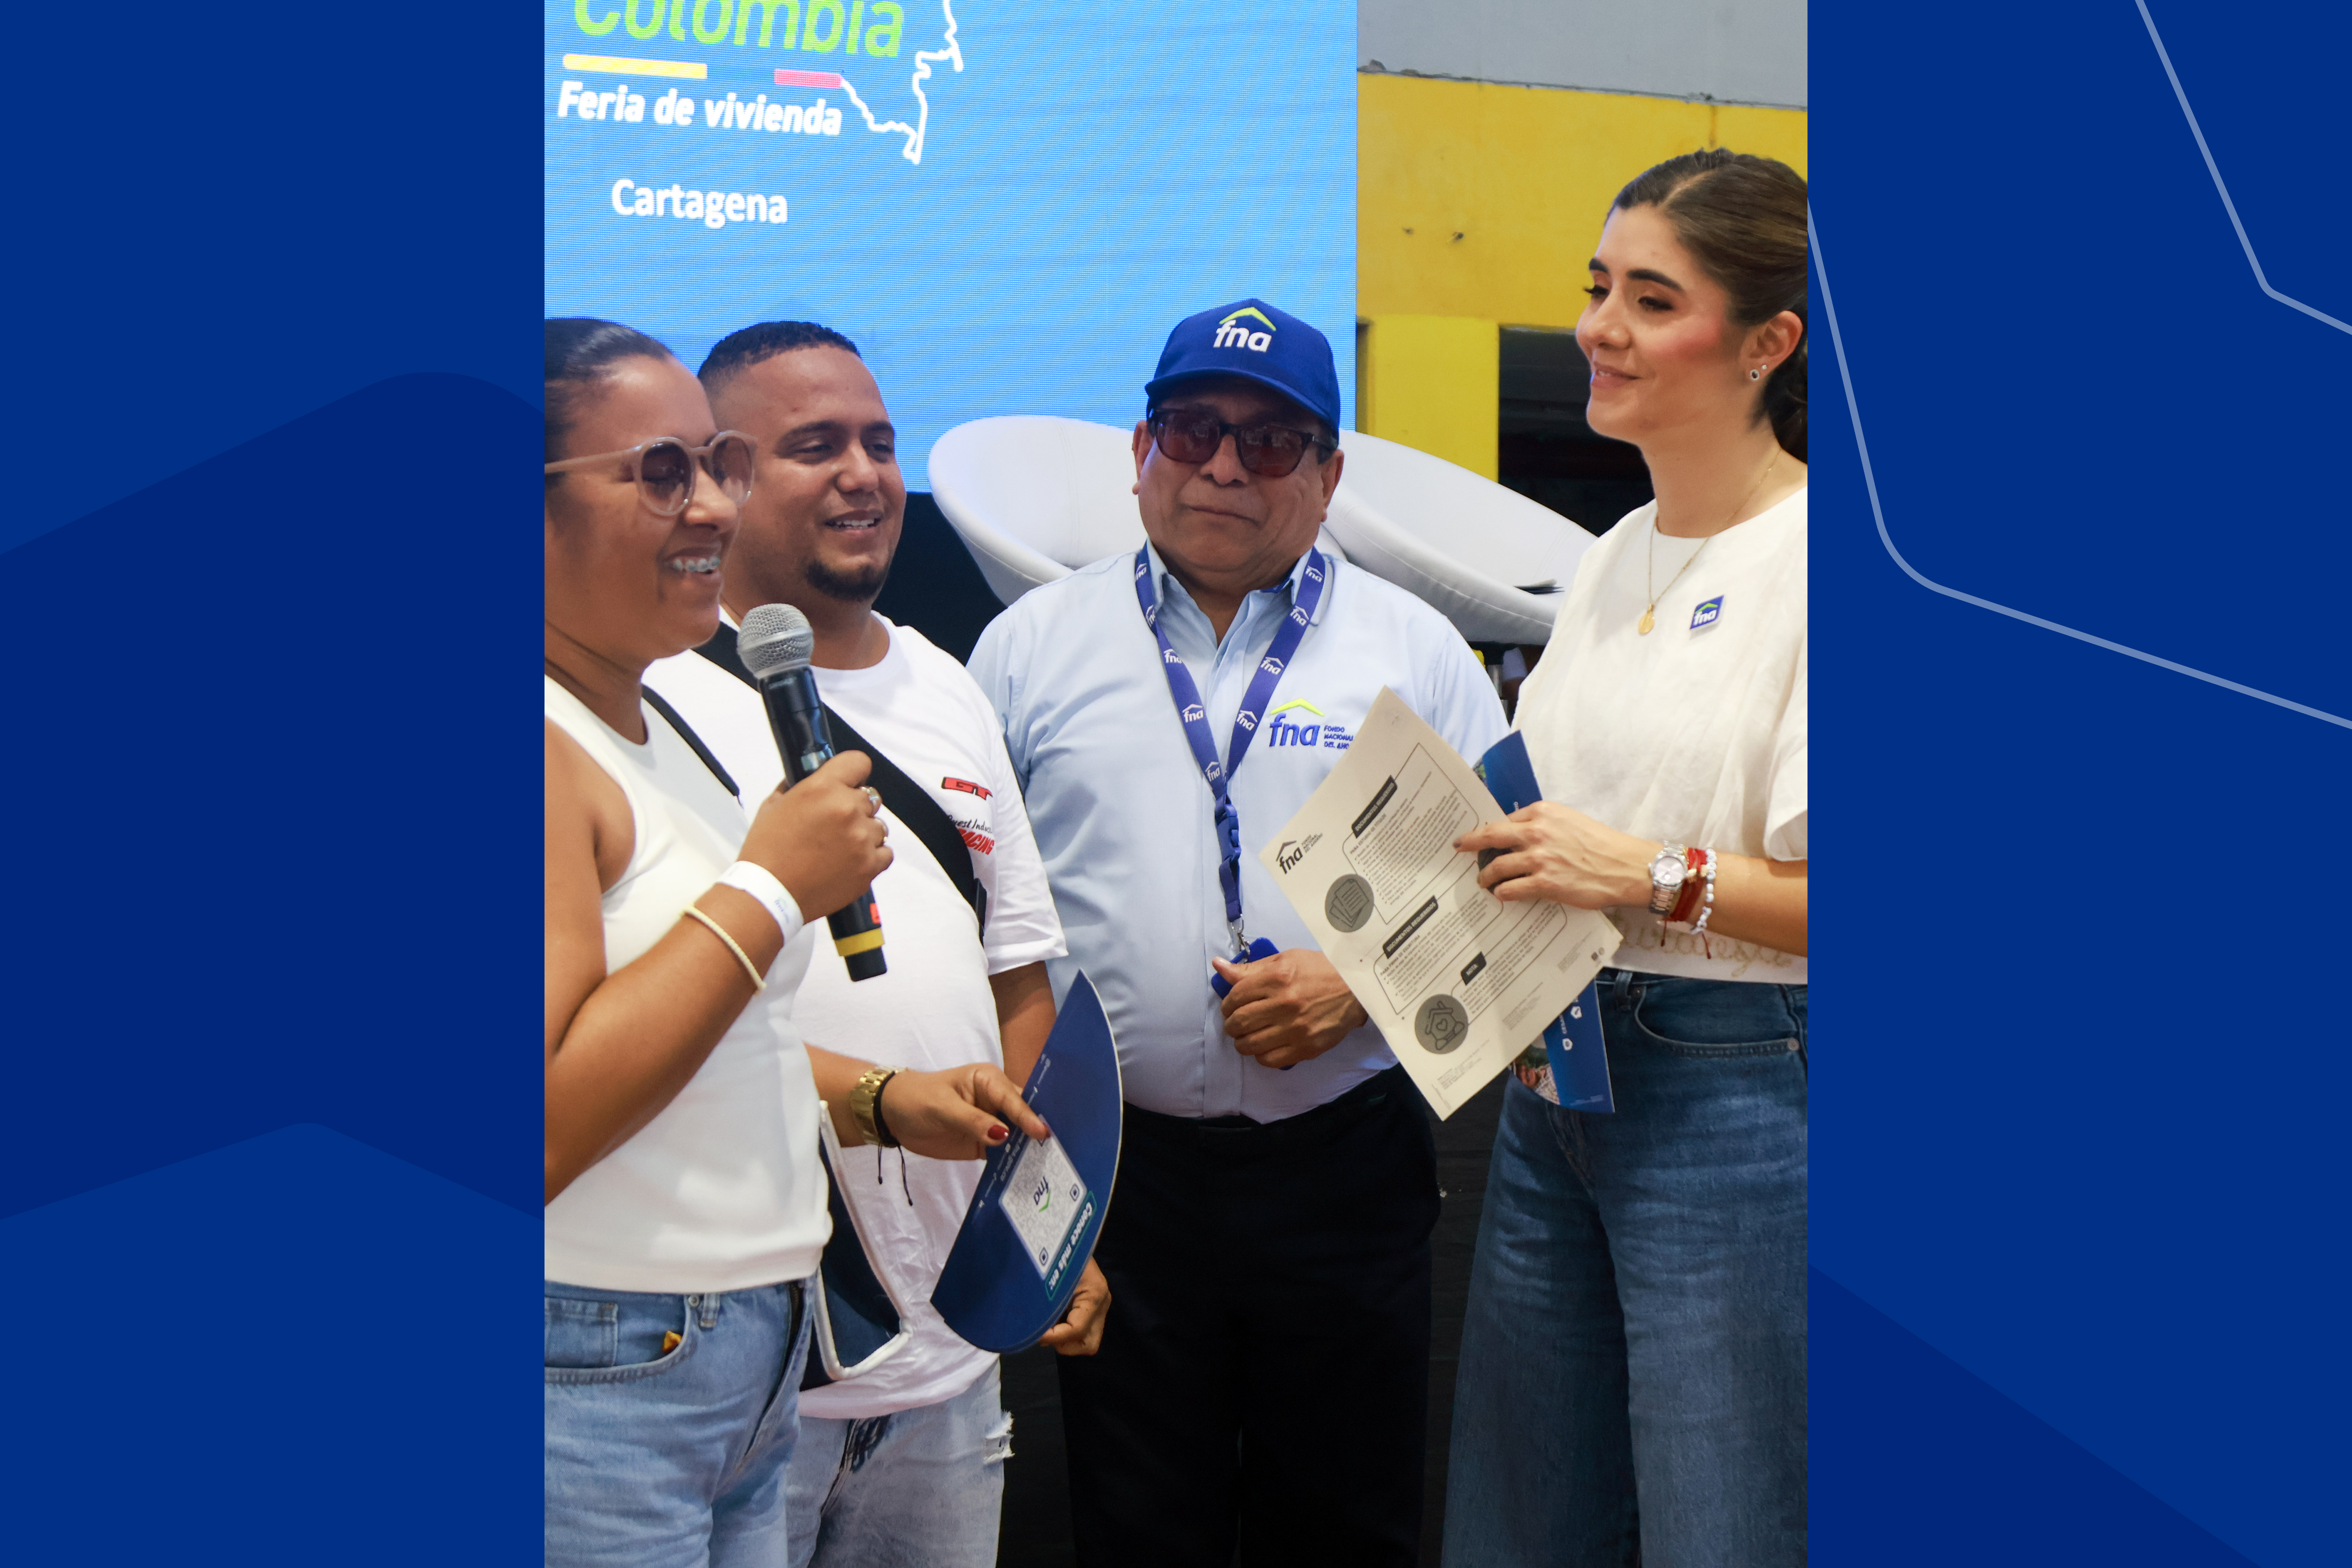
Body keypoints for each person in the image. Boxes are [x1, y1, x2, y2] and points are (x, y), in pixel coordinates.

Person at [968, 299, 1510, 1566]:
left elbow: (1507, 894)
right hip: (1119, 1168)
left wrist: (1365, 985)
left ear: (1328, 478)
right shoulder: (1029, 649)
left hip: (1342, 1162)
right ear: (1139, 451)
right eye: (1191, 429)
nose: (1222, 466)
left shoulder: (1417, 651)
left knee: (1346, 1520)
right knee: (1134, 1518)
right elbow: (977, 908)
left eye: (1269, 442)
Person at [541, 317, 1048, 1568]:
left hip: (745, 1354)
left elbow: (719, 1042)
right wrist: (772, 885)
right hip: (606, 1357)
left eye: (717, 465)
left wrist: (885, 1100)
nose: (712, 505)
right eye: (663, 473)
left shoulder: (657, 730)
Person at [1440, 150, 1810, 1567]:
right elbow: (1560, 834)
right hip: (1555, 1077)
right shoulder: (1608, 554)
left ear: (1767, 342)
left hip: (1739, 1087)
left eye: (1654, 300)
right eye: (1598, 288)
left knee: (1729, 1524)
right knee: (1522, 1518)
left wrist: (1647, 873)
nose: (1600, 327)